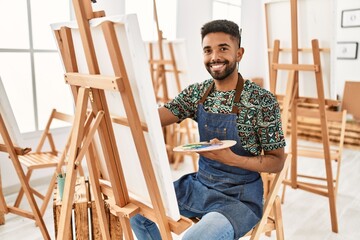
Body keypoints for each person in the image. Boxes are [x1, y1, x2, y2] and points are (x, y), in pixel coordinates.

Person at [130, 19, 286, 240]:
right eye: (208, 50)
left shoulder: (262, 101)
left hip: (239, 197)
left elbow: (277, 161)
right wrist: (122, 103)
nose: (215, 57)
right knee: (139, 213)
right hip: (200, 185)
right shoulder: (198, 93)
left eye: (223, 48)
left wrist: (233, 159)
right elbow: (154, 119)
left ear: (239, 53)